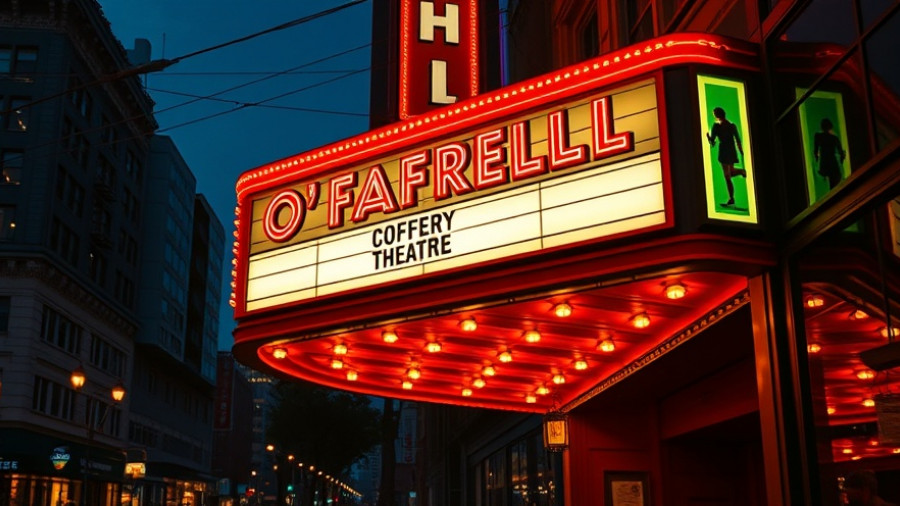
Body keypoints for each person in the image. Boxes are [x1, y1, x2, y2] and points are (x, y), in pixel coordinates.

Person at [705, 107, 746, 207]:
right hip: (731, 150)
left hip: (724, 151)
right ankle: (741, 172)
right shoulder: (731, 125)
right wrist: (740, 150)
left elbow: (713, 142)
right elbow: (738, 140)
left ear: (717, 115)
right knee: (730, 173)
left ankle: (731, 198)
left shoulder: (716, 126)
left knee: (727, 176)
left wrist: (708, 137)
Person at [814, 117, 846, 190]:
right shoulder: (834, 138)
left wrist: (817, 160)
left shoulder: (818, 136)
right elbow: (841, 153)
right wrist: (841, 160)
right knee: (835, 183)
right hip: (833, 163)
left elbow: (815, 151)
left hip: (824, 163)